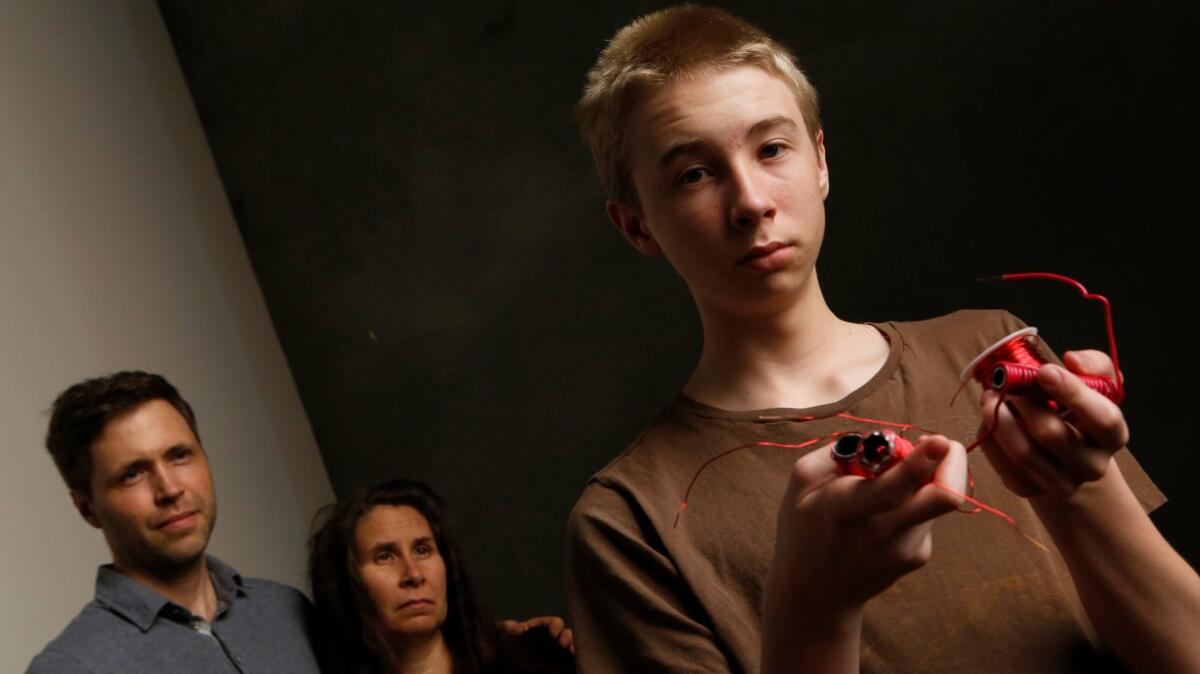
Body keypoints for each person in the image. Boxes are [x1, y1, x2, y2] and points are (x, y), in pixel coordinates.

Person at [566, 6, 1200, 673]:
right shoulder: (631, 520)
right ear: (635, 225)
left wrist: (1082, 493)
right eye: (694, 173)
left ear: (821, 163)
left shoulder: (991, 349)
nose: (751, 201)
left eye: (772, 149)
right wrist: (815, 613)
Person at [27, 371, 321, 673]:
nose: (169, 489)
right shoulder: (69, 667)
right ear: (87, 509)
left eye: (179, 456)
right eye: (133, 474)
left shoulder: (287, 610)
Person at [308, 478, 575, 674]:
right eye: (384, 556)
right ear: (345, 582)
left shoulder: (533, 659)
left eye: (423, 550)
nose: (413, 574)